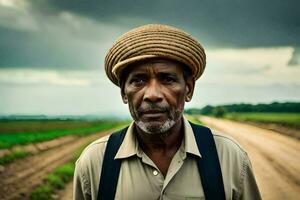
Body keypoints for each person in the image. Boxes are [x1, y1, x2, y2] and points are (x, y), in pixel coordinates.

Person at [73, 24, 261, 200]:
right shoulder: (94, 163)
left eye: (167, 79)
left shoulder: (229, 157)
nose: (152, 95)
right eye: (138, 80)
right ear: (124, 92)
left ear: (188, 89)